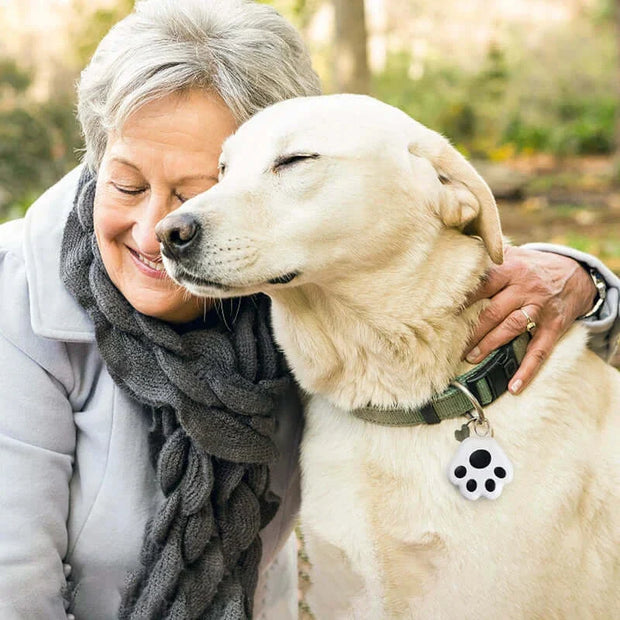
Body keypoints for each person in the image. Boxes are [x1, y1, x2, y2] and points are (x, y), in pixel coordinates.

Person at [0, 0, 617, 618]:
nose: (164, 226)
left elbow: (400, 244)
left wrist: (582, 278)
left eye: (200, 187)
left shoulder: (289, 296)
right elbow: (13, 588)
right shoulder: (19, 295)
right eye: (127, 184)